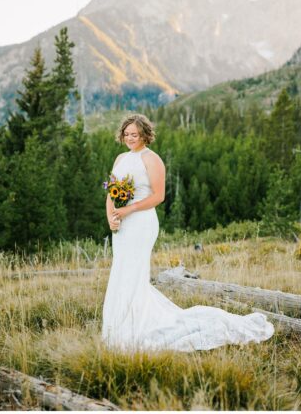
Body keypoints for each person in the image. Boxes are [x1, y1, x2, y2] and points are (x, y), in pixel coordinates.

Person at [101, 114, 274, 351]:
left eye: (135, 134)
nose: (130, 138)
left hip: (140, 222)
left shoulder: (152, 160)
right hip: (121, 225)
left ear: (144, 135)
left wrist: (128, 210)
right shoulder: (120, 158)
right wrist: (111, 217)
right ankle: (118, 325)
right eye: (127, 134)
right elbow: (111, 192)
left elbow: (158, 196)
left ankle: (134, 326)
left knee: (133, 272)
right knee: (120, 271)